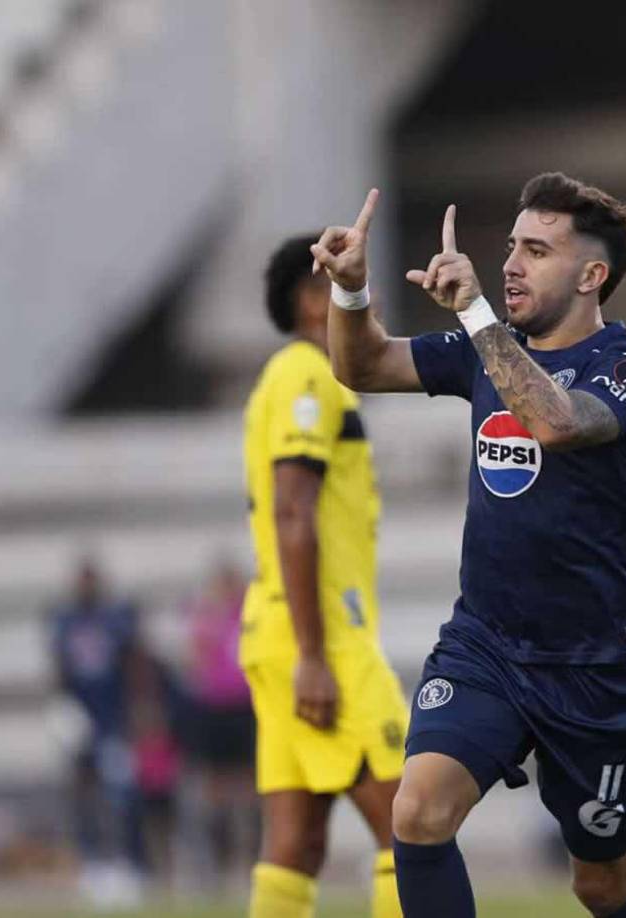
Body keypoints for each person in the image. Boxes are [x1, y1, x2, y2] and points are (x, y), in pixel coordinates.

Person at [314, 173, 626, 918]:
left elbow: (556, 423)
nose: (510, 263)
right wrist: (350, 293)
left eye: (536, 251)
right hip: (490, 645)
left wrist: (475, 313)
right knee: (416, 814)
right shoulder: (486, 346)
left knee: (601, 885)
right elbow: (363, 365)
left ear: (590, 275)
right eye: (511, 246)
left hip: (600, 666)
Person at [241, 234, 409, 918]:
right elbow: (292, 510)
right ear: (315, 299)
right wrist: (314, 653)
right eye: (346, 286)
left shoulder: (292, 378)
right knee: (414, 823)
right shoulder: (307, 375)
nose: (362, 299)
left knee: (297, 842)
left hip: (279, 629)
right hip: (321, 639)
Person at [49, 558, 149, 899]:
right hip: (80, 718)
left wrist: (135, 714)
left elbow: (134, 664)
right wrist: (61, 709)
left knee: (122, 794)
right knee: (83, 792)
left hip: (113, 719)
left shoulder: (116, 617)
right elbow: (59, 667)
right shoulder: (63, 619)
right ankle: (93, 862)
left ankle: (132, 863)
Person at [184, 559, 257, 883]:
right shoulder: (206, 618)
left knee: (251, 784)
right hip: (214, 709)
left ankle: (252, 858)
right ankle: (219, 861)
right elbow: (195, 662)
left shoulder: (250, 615)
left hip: (246, 708)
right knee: (214, 786)